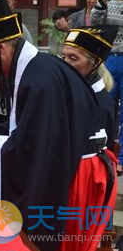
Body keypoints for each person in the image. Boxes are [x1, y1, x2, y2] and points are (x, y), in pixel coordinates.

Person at [0, 0, 101, 251]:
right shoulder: (29, 69)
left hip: (75, 177)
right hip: (66, 163)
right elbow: (20, 127)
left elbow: (30, 152)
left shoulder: (39, 81)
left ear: (1, 48)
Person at [60, 25, 118, 251]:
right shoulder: (76, 91)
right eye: (63, 56)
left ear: (94, 63)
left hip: (86, 178)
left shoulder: (99, 102)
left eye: (73, 58)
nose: (65, 63)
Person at [92, 0, 123, 175]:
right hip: (110, 59)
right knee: (104, 106)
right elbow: (95, 22)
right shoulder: (107, 1)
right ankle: (103, 150)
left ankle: (121, 158)